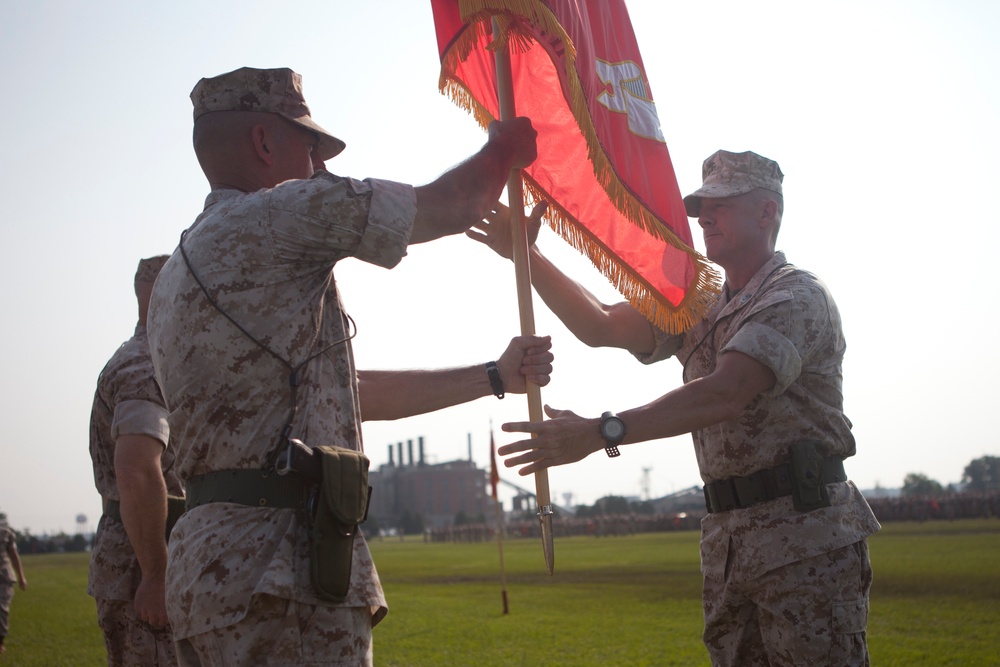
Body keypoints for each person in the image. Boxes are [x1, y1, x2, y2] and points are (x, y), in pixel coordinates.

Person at [146, 66, 547, 666]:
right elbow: (451, 205)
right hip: (282, 569)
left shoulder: (176, 273)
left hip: (206, 571)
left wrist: (491, 377)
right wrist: (502, 152)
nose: (319, 169)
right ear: (264, 142)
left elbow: (346, 396)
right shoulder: (278, 215)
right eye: (311, 148)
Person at [475, 150, 880, 666]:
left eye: (722, 205)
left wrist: (604, 432)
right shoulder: (700, 304)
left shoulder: (796, 296)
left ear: (767, 211)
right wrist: (524, 255)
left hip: (803, 542)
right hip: (731, 543)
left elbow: (724, 392)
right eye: (701, 207)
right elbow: (600, 322)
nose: (705, 218)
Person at [88, 255, 181, 666]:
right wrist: (156, 575)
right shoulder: (147, 364)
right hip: (144, 559)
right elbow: (137, 471)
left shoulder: (151, 356)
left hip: (145, 552)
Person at [0, 523, 26, 655]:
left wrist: (21, 577)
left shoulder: (5, 534)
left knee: (1, 609)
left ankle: (0, 641)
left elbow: (14, 556)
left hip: (3, 579)